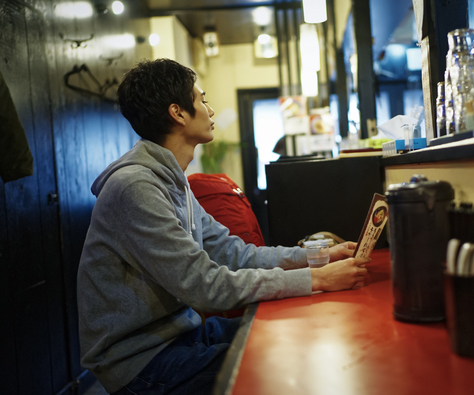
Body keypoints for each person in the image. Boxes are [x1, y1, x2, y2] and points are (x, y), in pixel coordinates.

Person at [76, 58, 371, 395]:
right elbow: (203, 285)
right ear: (178, 113)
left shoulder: (175, 183)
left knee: (292, 331)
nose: (211, 110)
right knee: (280, 364)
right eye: (202, 100)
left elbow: (233, 253)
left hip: (181, 335)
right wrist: (316, 279)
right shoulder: (135, 188)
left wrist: (315, 259)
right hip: (142, 359)